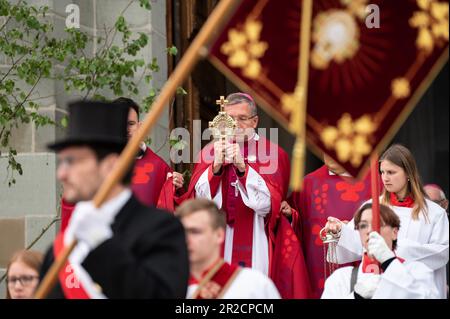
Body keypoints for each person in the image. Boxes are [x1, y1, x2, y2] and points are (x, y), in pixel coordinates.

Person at [40, 100, 189, 299]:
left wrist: (99, 243)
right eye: (62, 162)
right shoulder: (61, 247)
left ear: (109, 165)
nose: (62, 174)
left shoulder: (162, 231)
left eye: (73, 161)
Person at [325, 144, 449, 298]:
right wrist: (340, 232)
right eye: (382, 172)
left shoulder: (434, 213)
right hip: (381, 288)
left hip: (416, 287)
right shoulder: (372, 207)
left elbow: (442, 252)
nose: (385, 178)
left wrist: (393, 252)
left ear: (408, 173)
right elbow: (359, 242)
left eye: (391, 172)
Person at [59, 97, 172, 232]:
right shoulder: (93, 167)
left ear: (140, 127)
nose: (126, 129)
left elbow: (169, 209)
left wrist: (173, 187)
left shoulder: (159, 167)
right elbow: (73, 215)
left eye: (130, 123)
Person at [282, 154, 377, 298]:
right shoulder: (309, 182)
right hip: (317, 272)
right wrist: (290, 216)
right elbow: (295, 226)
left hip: (360, 271)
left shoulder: (375, 182)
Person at [321, 203, 439, 298]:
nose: (370, 230)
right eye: (363, 226)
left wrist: (389, 262)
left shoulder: (418, 272)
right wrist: (356, 296)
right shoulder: (342, 278)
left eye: (379, 224)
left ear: (395, 232)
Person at [175, 198, 281, 299]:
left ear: (219, 235)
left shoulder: (254, 285)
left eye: (195, 232)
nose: (186, 239)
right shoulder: (167, 289)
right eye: (180, 232)